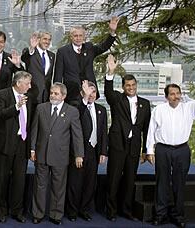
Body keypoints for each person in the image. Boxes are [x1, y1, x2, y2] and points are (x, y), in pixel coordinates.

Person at [146, 70, 195, 227]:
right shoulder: (159, 110)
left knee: (179, 183)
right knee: (162, 182)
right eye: (172, 94)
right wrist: (149, 150)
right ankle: (160, 215)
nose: (176, 96)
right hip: (163, 149)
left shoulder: (189, 108)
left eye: (178, 93)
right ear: (166, 96)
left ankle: (178, 216)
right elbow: (151, 131)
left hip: (182, 150)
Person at [103, 54, 150, 222]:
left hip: (134, 146)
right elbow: (108, 91)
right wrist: (111, 72)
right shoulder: (117, 99)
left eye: (133, 85)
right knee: (114, 179)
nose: (131, 87)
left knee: (130, 181)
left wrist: (146, 150)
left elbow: (146, 129)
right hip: (117, 144)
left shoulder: (145, 103)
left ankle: (126, 210)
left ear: (136, 85)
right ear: (123, 87)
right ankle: (111, 211)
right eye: (128, 85)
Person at [30, 82, 84, 225]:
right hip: (41, 153)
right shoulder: (41, 108)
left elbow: (77, 135)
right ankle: (38, 214)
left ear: (64, 96)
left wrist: (79, 154)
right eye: (51, 93)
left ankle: (56, 215)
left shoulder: (72, 111)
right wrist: (32, 149)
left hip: (60, 155)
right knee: (39, 186)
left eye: (56, 93)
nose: (52, 95)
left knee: (58, 187)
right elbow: (35, 130)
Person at [0, 71, 35, 223]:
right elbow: (0, 114)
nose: (30, 86)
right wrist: (16, 106)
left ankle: (17, 211)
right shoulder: (2, 95)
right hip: (6, 145)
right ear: (18, 84)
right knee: (2, 180)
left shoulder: (28, 98)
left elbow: (29, 123)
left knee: (20, 181)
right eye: (28, 83)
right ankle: (1, 211)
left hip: (22, 144)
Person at [66, 81, 107, 222]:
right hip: (79, 151)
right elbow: (80, 113)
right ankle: (72, 211)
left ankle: (84, 210)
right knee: (75, 182)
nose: (91, 95)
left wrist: (103, 152)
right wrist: (84, 97)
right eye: (88, 92)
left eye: (93, 92)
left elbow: (103, 133)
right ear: (83, 93)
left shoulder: (102, 110)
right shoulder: (76, 106)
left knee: (90, 183)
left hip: (94, 151)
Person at [54, 17, 119, 104]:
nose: (78, 38)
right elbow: (58, 74)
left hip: (90, 93)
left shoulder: (89, 48)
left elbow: (104, 46)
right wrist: (57, 93)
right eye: (75, 36)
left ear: (84, 37)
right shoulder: (62, 51)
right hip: (71, 94)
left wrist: (112, 32)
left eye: (80, 35)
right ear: (71, 37)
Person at [22, 31, 55, 103]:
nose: (47, 42)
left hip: (46, 95)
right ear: (38, 39)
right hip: (32, 93)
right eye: (45, 39)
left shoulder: (52, 55)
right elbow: (24, 58)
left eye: (49, 40)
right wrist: (31, 48)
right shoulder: (30, 52)